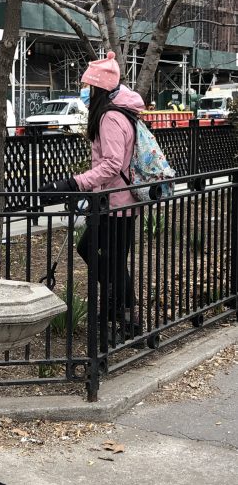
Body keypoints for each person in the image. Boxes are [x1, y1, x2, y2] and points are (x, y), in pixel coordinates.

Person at [40, 51, 144, 325]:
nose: (85, 91)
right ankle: (118, 305)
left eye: (89, 86)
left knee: (106, 257)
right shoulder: (124, 112)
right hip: (118, 199)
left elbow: (111, 164)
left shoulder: (110, 117)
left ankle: (126, 314)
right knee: (106, 256)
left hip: (115, 202)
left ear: (100, 88)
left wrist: (75, 183)